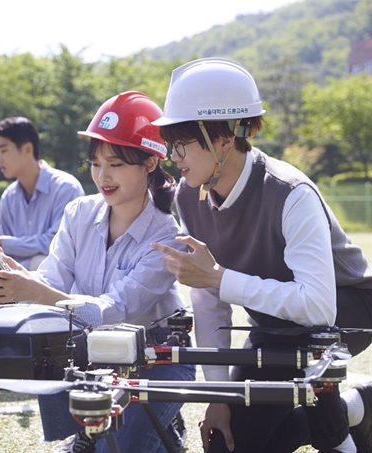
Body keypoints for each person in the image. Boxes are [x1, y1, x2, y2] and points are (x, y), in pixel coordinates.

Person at [150, 57, 372, 453]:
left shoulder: (290, 192)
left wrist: (218, 278)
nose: (173, 155)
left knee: (307, 360)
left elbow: (319, 309)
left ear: (223, 137)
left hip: (347, 311)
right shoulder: (189, 194)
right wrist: (218, 396)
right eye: (170, 144)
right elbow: (208, 302)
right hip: (274, 325)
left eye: (181, 142)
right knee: (226, 444)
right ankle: (354, 408)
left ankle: (341, 425)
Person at [0, 92, 196, 453]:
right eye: (95, 163)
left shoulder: (168, 235)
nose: (102, 176)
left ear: (150, 163)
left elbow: (117, 310)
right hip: (92, 357)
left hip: (157, 358)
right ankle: (89, 435)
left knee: (117, 450)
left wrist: (36, 291)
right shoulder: (78, 213)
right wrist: (7, 278)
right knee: (46, 343)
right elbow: (50, 281)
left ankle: (161, 430)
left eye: (117, 164)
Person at [0, 116, 85, 270]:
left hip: (60, 288)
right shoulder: (8, 196)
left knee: (40, 262)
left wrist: (4, 243)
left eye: (4, 150)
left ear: (27, 149)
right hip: (16, 285)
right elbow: (3, 254)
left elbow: (57, 243)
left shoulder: (66, 188)